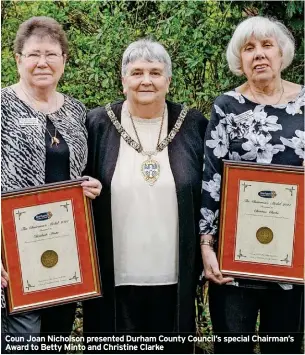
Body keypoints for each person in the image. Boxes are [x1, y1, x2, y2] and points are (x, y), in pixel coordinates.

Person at [83, 38, 208, 352]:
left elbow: (214, 191)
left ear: (168, 79)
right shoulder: (96, 124)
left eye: (155, 72)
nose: (146, 80)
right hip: (113, 277)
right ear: (123, 80)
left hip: (174, 276)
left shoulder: (193, 125)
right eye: (136, 72)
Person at [200, 16, 304, 354]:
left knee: (285, 347)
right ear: (239, 59)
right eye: (249, 48)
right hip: (235, 262)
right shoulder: (226, 107)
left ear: (281, 53)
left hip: (294, 259)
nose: (258, 54)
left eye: (266, 45)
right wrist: (206, 246)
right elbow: (212, 179)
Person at [1, 16, 102, 352]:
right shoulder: (2, 107)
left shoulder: (76, 111)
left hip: (65, 250)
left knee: (57, 336)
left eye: (51, 54)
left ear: (64, 60)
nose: (42, 62)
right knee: (23, 339)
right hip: (11, 249)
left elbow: (80, 171)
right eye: (33, 54)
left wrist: (92, 186)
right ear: (17, 60)